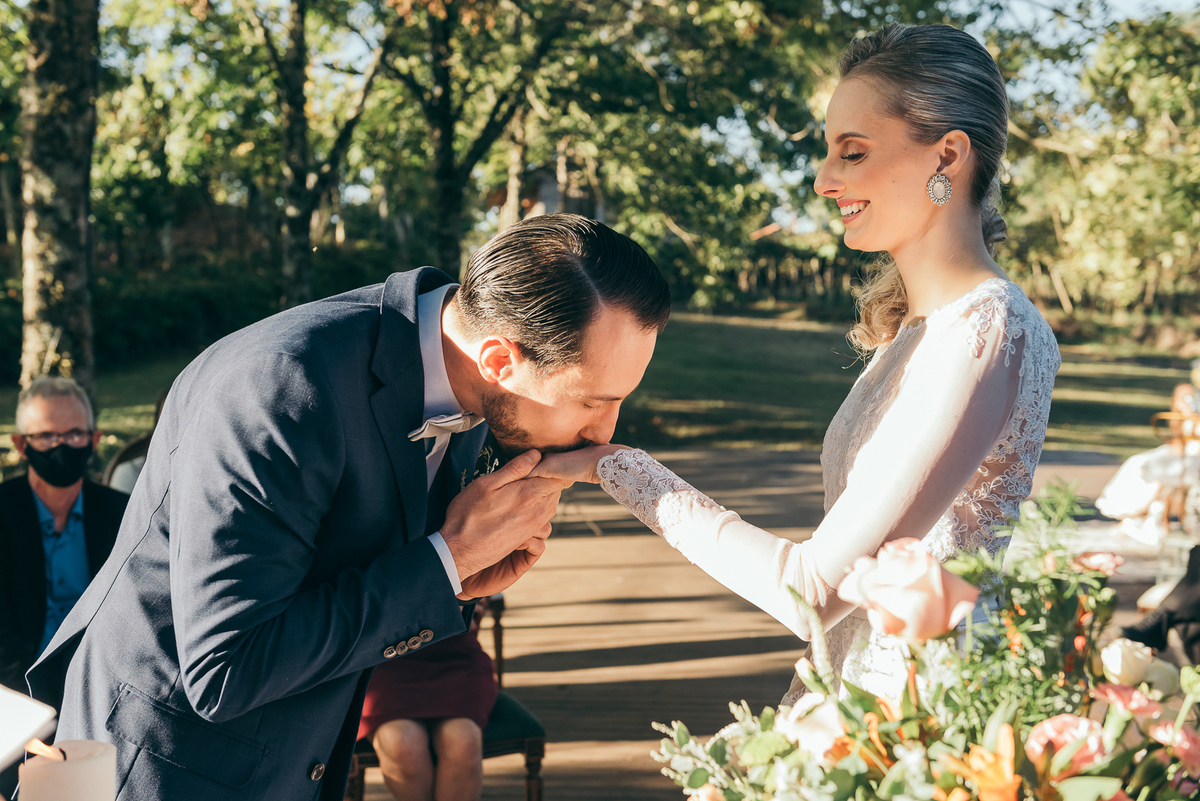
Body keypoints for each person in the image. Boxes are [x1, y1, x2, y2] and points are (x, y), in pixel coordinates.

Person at [27, 213, 670, 801]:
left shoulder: (466, 373)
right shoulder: (282, 386)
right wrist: (446, 560)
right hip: (159, 767)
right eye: (592, 401)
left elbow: (356, 566)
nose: (605, 432)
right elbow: (225, 669)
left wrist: (457, 580)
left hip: (295, 759)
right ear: (500, 359)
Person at [533, 24, 1061, 703]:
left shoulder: (987, 328)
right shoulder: (921, 330)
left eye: (853, 152)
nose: (823, 180)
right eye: (829, 152)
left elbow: (811, 590)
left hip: (917, 714)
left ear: (948, 155)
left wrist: (619, 468)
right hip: (853, 696)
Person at [0, 377, 129, 798]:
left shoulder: (122, 514)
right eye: (47, 436)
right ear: (21, 445)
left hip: (102, 691)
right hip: (16, 695)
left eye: (74, 434)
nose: (61, 446)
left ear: (93, 440)